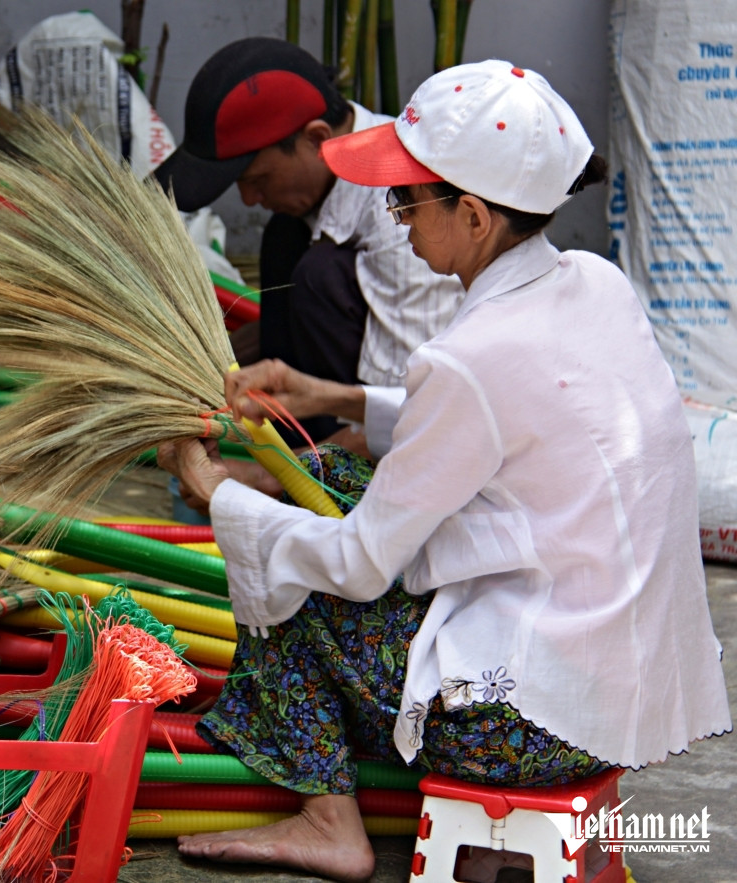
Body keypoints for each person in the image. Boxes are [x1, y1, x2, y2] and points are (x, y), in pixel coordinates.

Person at [156, 59, 731, 882]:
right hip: (617, 690)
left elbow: (358, 565)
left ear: (470, 215)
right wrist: (338, 396)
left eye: (405, 199)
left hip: (525, 724)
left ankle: (330, 818)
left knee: (286, 568)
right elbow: (491, 425)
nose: (394, 216)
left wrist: (220, 496)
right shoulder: (594, 285)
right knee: (337, 496)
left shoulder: (470, 357)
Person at [154, 37, 464, 443]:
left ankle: (328, 477)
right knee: (285, 236)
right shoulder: (311, 197)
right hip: (342, 413)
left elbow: (415, 417)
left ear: (316, 139)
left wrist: (261, 483)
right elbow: (279, 327)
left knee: (317, 273)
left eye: (257, 180)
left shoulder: (404, 221)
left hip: (404, 450)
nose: (249, 200)